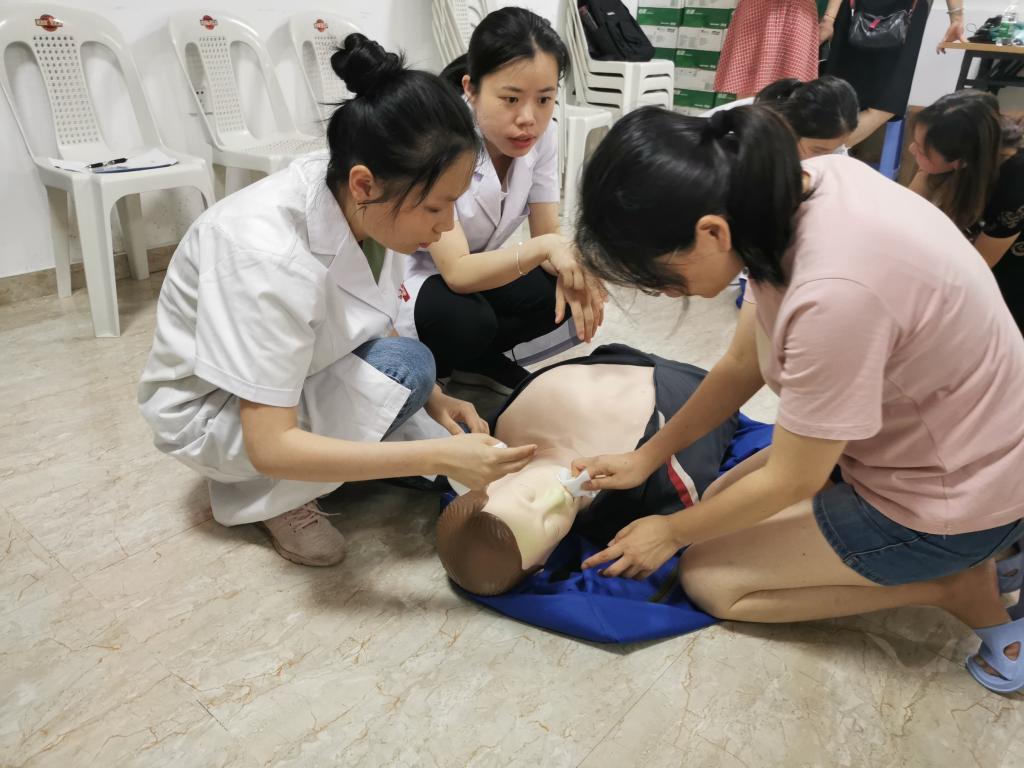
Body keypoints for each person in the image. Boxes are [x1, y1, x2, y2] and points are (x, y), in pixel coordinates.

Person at [570, 105, 1024, 692]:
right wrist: (646, 456)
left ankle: (952, 584)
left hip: (956, 497)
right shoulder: (794, 190)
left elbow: (792, 478)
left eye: (662, 276)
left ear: (711, 233)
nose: (666, 292)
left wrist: (670, 533)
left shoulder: (835, 292)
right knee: (718, 506)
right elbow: (743, 364)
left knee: (710, 577)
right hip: (934, 442)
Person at [138, 34, 537, 567]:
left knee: (415, 370)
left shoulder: (363, 194)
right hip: (216, 414)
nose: (446, 227)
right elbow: (269, 445)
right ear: (364, 184)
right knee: (404, 379)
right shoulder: (264, 253)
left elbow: (371, 316)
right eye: (435, 209)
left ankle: (354, 452)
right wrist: (437, 453)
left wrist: (436, 399)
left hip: (299, 365)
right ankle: (275, 499)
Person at [395, 7, 605, 394]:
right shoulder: (441, 137)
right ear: (471, 89)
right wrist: (546, 248)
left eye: (544, 99)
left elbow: (548, 232)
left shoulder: (543, 136)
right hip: (418, 277)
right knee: (467, 320)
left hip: (476, 268)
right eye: (511, 99)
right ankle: (442, 364)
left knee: (564, 287)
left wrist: (577, 268)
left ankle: (477, 362)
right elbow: (457, 272)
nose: (529, 118)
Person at [437, 345, 739, 595]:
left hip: (618, 356)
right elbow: (721, 404)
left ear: (492, 484)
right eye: (551, 526)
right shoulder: (655, 491)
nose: (556, 499)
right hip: (703, 389)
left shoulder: (503, 428)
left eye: (529, 496)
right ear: (547, 559)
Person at [909, 90, 1024, 336]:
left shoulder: (1014, 185)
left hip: (1009, 270)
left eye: (922, 150)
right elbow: (906, 210)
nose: (911, 150)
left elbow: (980, 264)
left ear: (960, 162)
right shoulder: (969, 146)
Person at [820, 0, 967, 147]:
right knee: (843, 96)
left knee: (885, 101)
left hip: (903, 11)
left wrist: (956, 19)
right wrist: (829, 18)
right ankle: (820, 152)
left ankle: (820, 152)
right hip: (862, 9)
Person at [714, 0, 820, 99]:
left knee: (795, 85)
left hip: (796, 12)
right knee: (748, 84)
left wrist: (827, 20)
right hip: (758, 11)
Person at [754, 76, 859, 158]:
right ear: (790, 128)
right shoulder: (756, 141)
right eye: (817, 151)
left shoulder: (832, 148)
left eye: (835, 149)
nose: (826, 159)